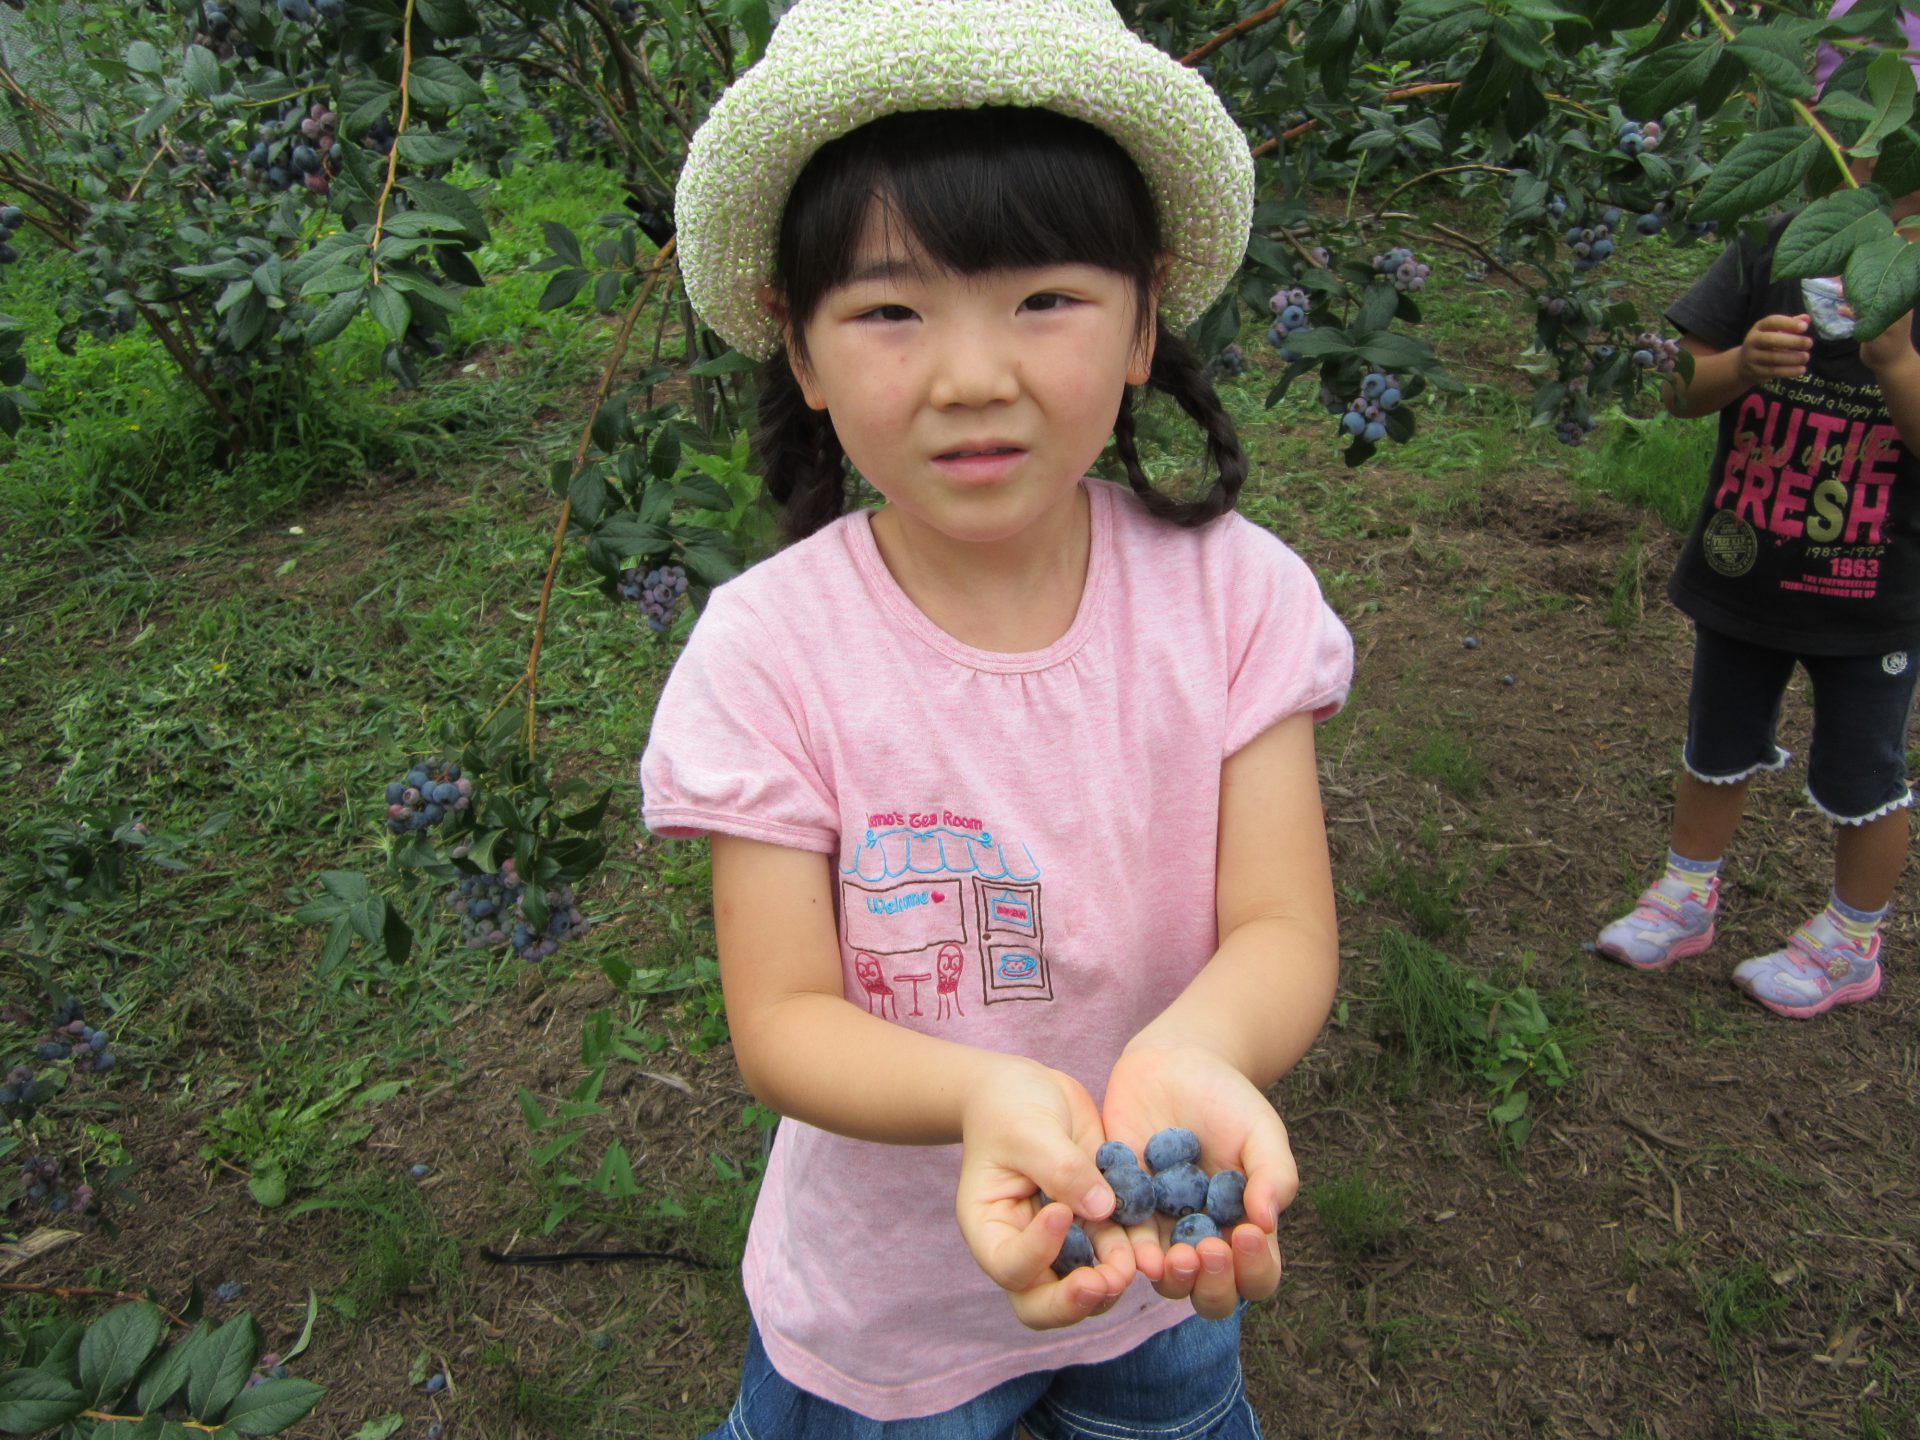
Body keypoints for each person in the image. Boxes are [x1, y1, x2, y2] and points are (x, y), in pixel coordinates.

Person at [639, 1, 1354, 1432]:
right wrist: (982, 1097)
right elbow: (782, 1018)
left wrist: (1191, 1057)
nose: (974, 376)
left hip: (1159, 1264)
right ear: (801, 352)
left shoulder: (1236, 600)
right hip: (883, 1313)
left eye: (1045, 300)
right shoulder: (770, 654)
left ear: (1145, 319)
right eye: (890, 312)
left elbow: (1282, 927)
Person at [1592, 122, 1920, 1016]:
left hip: (1872, 594)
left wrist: (1896, 360)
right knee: (1718, 742)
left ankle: (1851, 942)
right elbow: (1678, 389)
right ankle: (1684, 896)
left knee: (1864, 775)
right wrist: (1741, 363)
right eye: (1862, 137)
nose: (1876, 165)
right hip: (1748, 568)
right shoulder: (1778, 247)